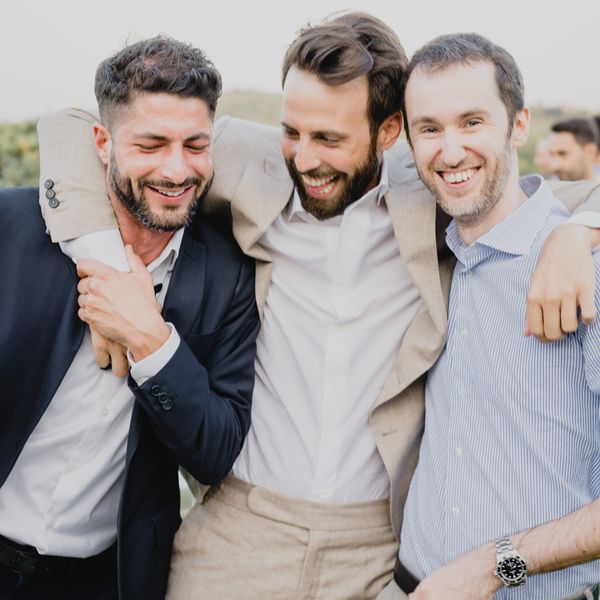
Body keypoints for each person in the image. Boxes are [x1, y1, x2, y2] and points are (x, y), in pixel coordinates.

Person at [35, 13, 600, 600]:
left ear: (388, 133)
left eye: (330, 139)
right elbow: (72, 131)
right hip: (240, 529)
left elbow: (555, 197)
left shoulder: (434, 183)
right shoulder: (245, 158)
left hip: (375, 547)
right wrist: (106, 273)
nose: (304, 159)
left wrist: (576, 232)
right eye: (293, 132)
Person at [0, 37, 259, 600]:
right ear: (102, 142)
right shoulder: (10, 228)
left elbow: (217, 452)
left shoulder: (229, 275)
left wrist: (151, 338)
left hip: (108, 579)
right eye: (151, 144)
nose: (177, 168)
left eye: (195, 145)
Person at [382, 33, 600, 600]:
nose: (450, 152)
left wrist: (495, 565)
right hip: (408, 584)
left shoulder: (584, 270)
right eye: (429, 129)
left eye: (472, 122)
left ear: (519, 125)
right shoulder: (436, 249)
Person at [549, 117, 600, 181]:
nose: (554, 165)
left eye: (563, 154)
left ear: (590, 152)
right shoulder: (551, 187)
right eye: (551, 154)